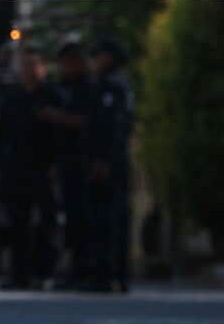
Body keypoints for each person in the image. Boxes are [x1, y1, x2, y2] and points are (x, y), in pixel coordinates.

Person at [0, 45, 63, 290]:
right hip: (17, 167)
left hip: (45, 166)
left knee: (47, 223)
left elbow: (62, 135)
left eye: (34, 65)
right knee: (17, 224)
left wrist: (57, 163)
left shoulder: (53, 96)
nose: (29, 71)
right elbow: (0, 133)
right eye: (25, 66)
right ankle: (18, 274)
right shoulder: (13, 97)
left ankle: (44, 272)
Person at [47, 41, 96, 289]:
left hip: (85, 161)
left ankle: (87, 269)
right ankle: (75, 269)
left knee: (84, 219)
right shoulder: (63, 88)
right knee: (70, 219)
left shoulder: (90, 88)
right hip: (66, 161)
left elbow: (91, 123)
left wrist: (60, 118)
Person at [86, 38, 133, 293]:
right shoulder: (101, 85)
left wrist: (106, 160)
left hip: (112, 162)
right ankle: (102, 274)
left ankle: (114, 274)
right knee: (100, 220)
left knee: (111, 220)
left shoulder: (115, 87)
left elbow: (117, 126)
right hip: (100, 160)